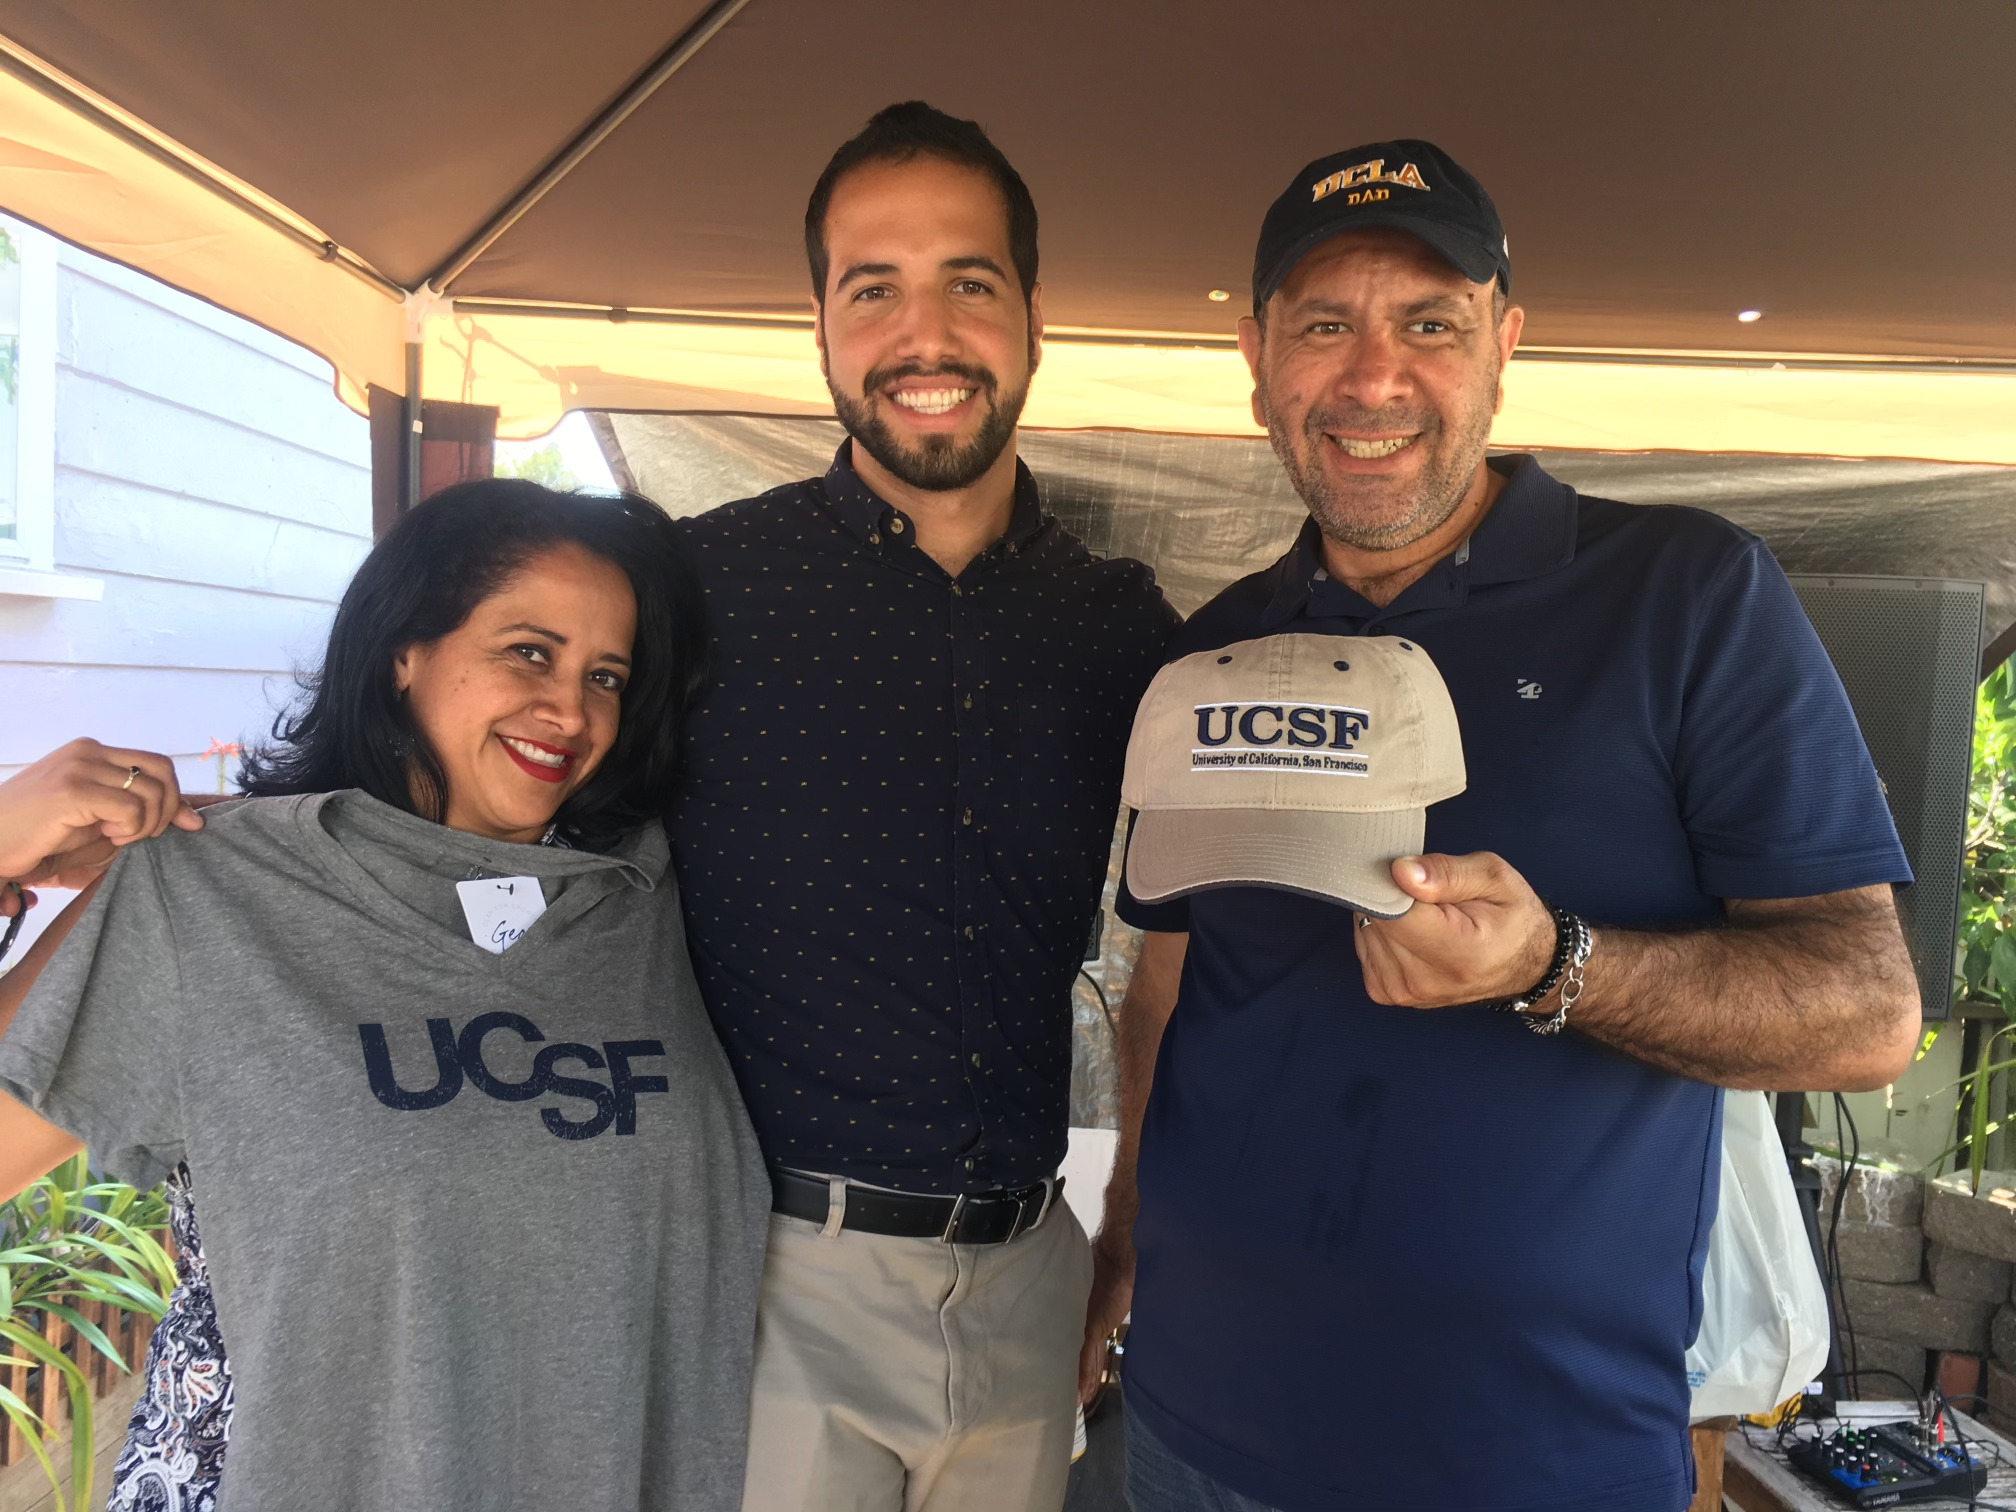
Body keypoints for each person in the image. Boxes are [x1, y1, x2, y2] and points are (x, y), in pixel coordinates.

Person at [1082, 139, 1921, 1512]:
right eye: (1323, 327)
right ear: (1256, 360)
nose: (1372, 377)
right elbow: (1170, 984)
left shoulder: (1687, 595)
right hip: (1193, 1434)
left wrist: (1557, 965)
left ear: (1505, 342)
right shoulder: (1216, 649)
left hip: (1532, 1464)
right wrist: (1117, 1250)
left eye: (1429, 323)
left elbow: (1866, 1012)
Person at [0, 479, 770, 1512]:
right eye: (528, 652)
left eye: (607, 675)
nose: (572, 710)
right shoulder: (213, 894)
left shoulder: (648, 898)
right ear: (405, 649)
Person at [669, 102, 1177, 1512]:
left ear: (1029, 314)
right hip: (771, 1281)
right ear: (822, 326)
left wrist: (1118, 1234)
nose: (925, 332)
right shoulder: (695, 594)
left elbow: (1196, 943)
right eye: (872, 287)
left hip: (1031, 1280)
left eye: (970, 280)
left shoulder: (1119, 627)